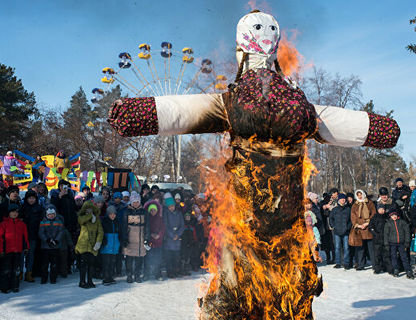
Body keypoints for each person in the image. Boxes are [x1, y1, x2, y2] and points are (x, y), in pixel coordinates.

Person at [0, 204, 29, 293]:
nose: (15, 213)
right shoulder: (3, 224)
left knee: (16, 269)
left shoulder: (22, 224)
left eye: (16, 212)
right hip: (7, 251)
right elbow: (0, 238)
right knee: (6, 269)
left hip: (18, 250)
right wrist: (1, 250)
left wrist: (26, 247)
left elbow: (25, 237)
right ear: (9, 213)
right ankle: (5, 286)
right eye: (13, 212)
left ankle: (15, 285)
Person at [75, 201, 104, 289]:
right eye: (87, 209)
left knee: (91, 264)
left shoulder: (97, 220)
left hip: (92, 245)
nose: (89, 210)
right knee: (83, 264)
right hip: (83, 244)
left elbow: (100, 231)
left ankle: (90, 281)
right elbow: (81, 221)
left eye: (90, 209)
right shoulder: (81, 217)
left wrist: (98, 242)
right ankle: (82, 281)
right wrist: (90, 216)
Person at [122, 194, 147, 283]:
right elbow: (124, 226)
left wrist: (147, 237)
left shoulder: (144, 212)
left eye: (137, 202)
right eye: (134, 202)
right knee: (129, 258)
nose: (136, 204)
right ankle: (129, 275)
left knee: (139, 258)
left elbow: (147, 226)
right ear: (131, 202)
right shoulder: (126, 211)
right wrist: (124, 238)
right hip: (130, 238)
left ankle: (137, 275)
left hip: (140, 238)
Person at [20, 190, 44, 282]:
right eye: (29, 198)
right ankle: (21, 272)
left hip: (34, 234)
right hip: (23, 235)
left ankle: (29, 272)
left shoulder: (39, 208)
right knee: (21, 255)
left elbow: (41, 221)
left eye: (33, 198)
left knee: (31, 255)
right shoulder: (22, 208)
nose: (31, 200)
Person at [38, 204, 64, 284]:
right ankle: (44, 278)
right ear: (46, 214)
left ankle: (53, 278)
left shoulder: (59, 222)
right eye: (49, 214)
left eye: (52, 214)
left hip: (55, 246)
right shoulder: (43, 222)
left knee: (54, 263)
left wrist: (56, 240)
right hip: (45, 246)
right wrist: (47, 240)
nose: (51, 216)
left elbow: (61, 232)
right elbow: (41, 233)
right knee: (44, 264)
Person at [350, 190, 376, 270]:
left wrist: (367, 223)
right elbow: (353, 216)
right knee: (360, 249)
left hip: (368, 228)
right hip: (359, 230)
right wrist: (358, 225)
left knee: (371, 249)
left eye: (361, 194)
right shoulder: (355, 205)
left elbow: (373, 213)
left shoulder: (369, 203)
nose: (360, 196)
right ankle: (361, 264)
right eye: (358, 195)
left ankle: (375, 265)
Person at [384, 211, 414, 279]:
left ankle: (408, 270)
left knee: (404, 257)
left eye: (395, 215)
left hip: (401, 243)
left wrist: (407, 241)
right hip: (392, 243)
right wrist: (386, 244)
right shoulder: (388, 223)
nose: (394, 216)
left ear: (397, 216)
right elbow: (386, 234)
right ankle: (395, 269)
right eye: (392, 215)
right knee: (393, 256)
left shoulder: (402, 222)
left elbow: (407, 232)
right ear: (390, 216)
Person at [369, 199, 392, 274]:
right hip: (377, 239)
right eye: (380, 209)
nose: (381, 210)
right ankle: (377, 268)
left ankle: (388, 268)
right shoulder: (374, 217)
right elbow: (371, 227)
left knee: (386, 254)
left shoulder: (387, 217)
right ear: (377, 209)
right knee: (377, 254)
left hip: (386, 238)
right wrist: (375, 233)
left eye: (383, 209)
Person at [163, 196, 185, 278]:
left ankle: (176, 271)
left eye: (172, 206)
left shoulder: (179, 213)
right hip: (169, 239)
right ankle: (170, 272)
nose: (171, 208)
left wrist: (178, 234)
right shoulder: (166, 214)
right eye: (169, 206)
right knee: (169, 257)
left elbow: (182, 225)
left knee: (176, 257)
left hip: (177, 239)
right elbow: (165, 225)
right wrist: (172, 235)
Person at [143, 200, 165, 280]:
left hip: (158, 242)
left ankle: (157, 274)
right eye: (151, 210)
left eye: (154, 210)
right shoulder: (147, 219)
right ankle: (146, 273)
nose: (153, 212)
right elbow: (146, 229)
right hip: (150, 242)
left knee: (158, 258)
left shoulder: (160, 218)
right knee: (148, 258)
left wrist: (159, 235)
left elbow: (163, 228)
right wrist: (151, 235)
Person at [329, 194, 351, 269]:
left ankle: (346, 263)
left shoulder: (348, 209)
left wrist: (348, 227)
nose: (343, 200)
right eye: (342, 199)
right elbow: (331, 218)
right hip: (337, 231)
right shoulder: (335, 209)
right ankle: (338, 262)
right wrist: (333, 226)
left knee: (346, 247)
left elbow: (351, 220)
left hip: (346, 231)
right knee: (337, 247)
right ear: (339, 200)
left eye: (344, 199)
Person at [100, 205, 120, 285]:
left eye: (114, 214)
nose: (113, 215)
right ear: (108, 214)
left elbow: (119, 232)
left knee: (112, 262)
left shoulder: (117, 221)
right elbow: (102, 232)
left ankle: (110, 277)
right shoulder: (104, 221)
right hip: (107, 245)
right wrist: (103, 241)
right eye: (111, 214)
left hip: (114, 245)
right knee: (106, 262)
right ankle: (106, 277)